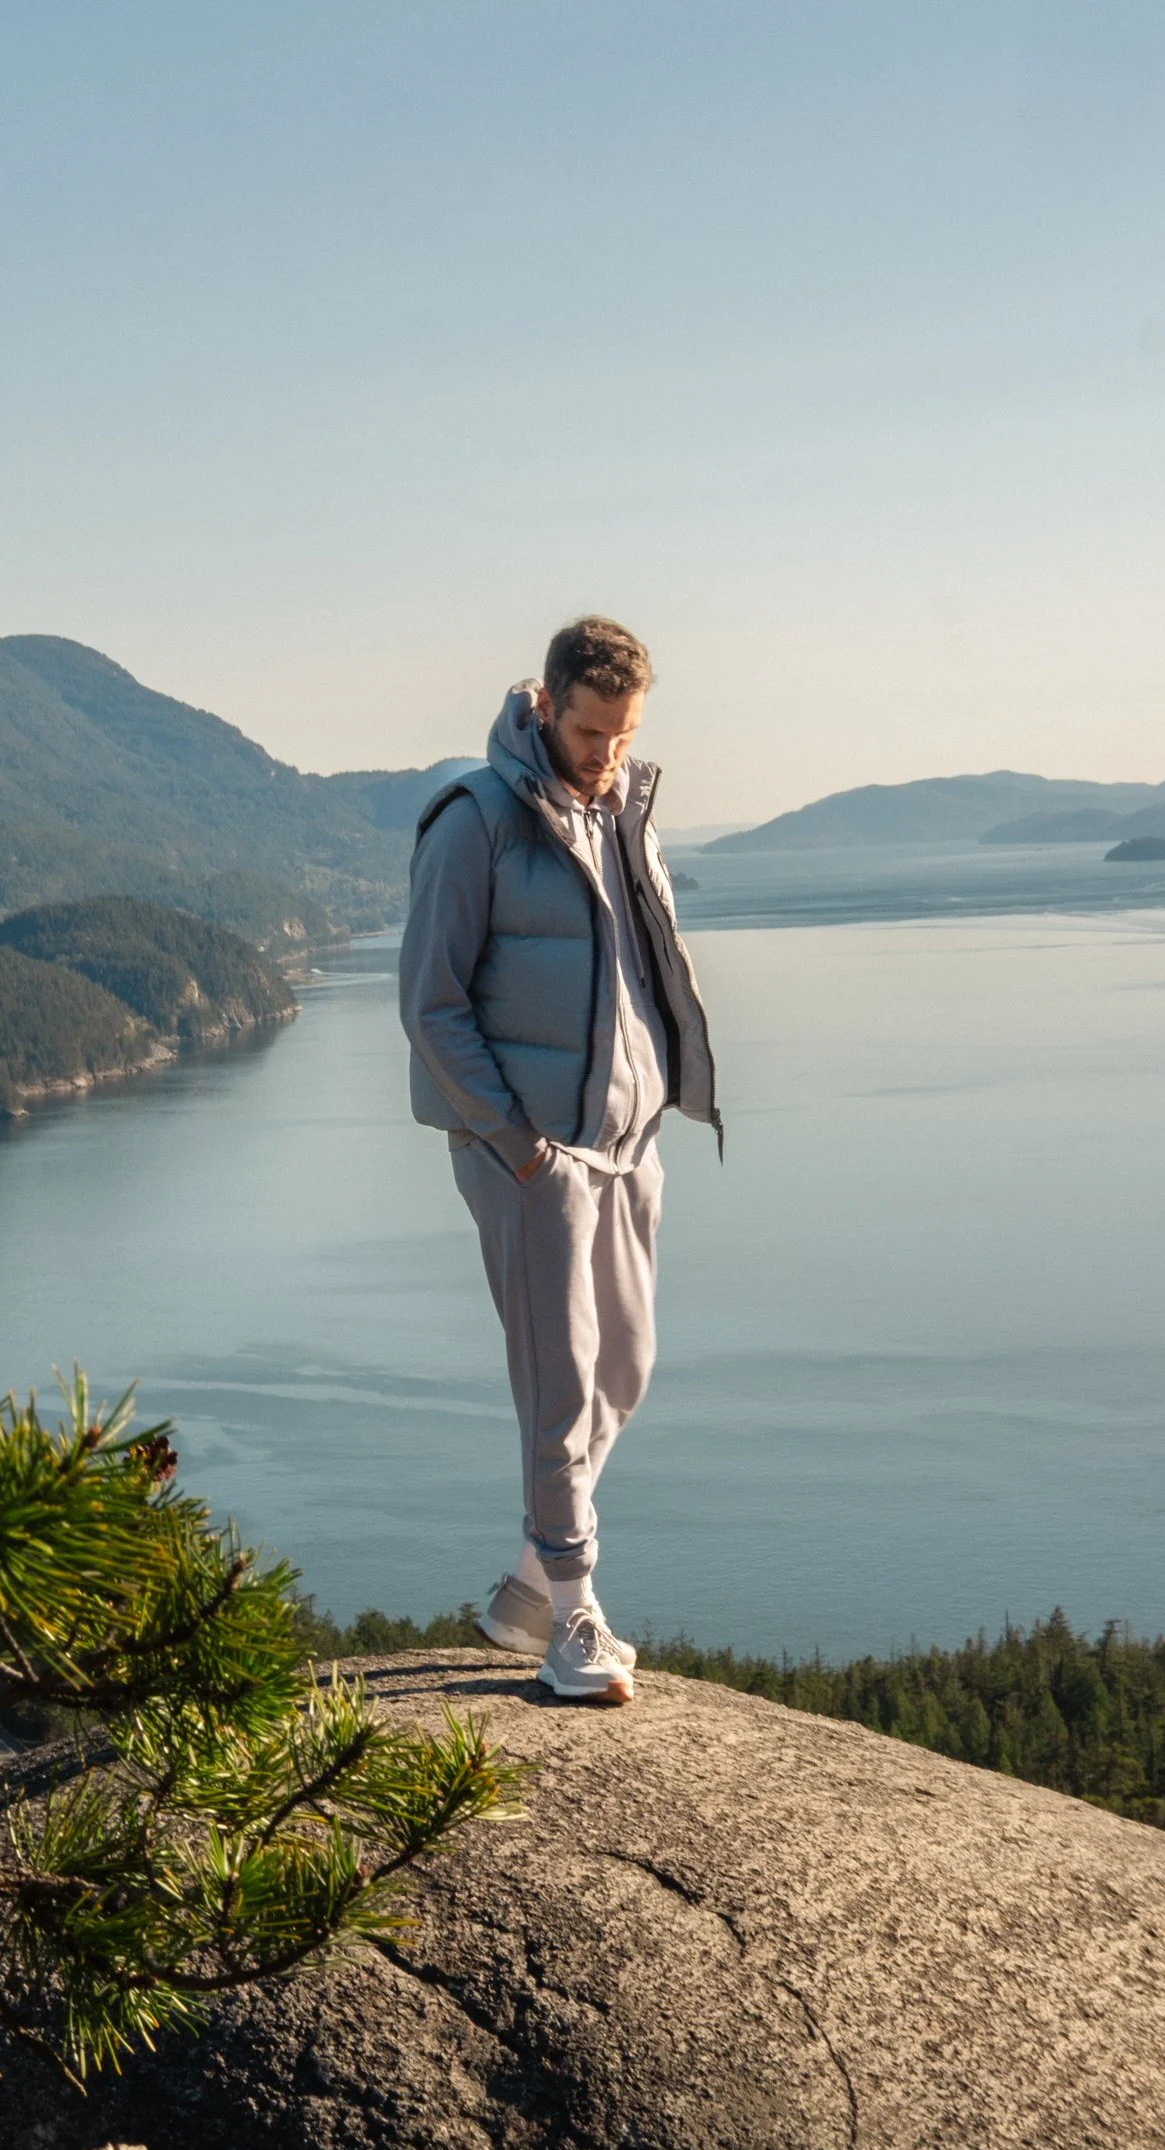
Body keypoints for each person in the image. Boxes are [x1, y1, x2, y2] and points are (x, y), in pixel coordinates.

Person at [398, 617, 721, 1705]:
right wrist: (514, 1143)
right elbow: (429, 1006)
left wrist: (658, 1097)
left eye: (623, 735)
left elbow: (639, 969)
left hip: (625, 1146)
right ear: (543, 706)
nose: (606, 755)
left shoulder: (624, 807)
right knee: (560, 1381)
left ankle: (527, 1583)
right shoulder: (475, 818)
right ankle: (572, 1616)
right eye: (589, 732)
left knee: (623, 1369)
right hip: (531, 1152)